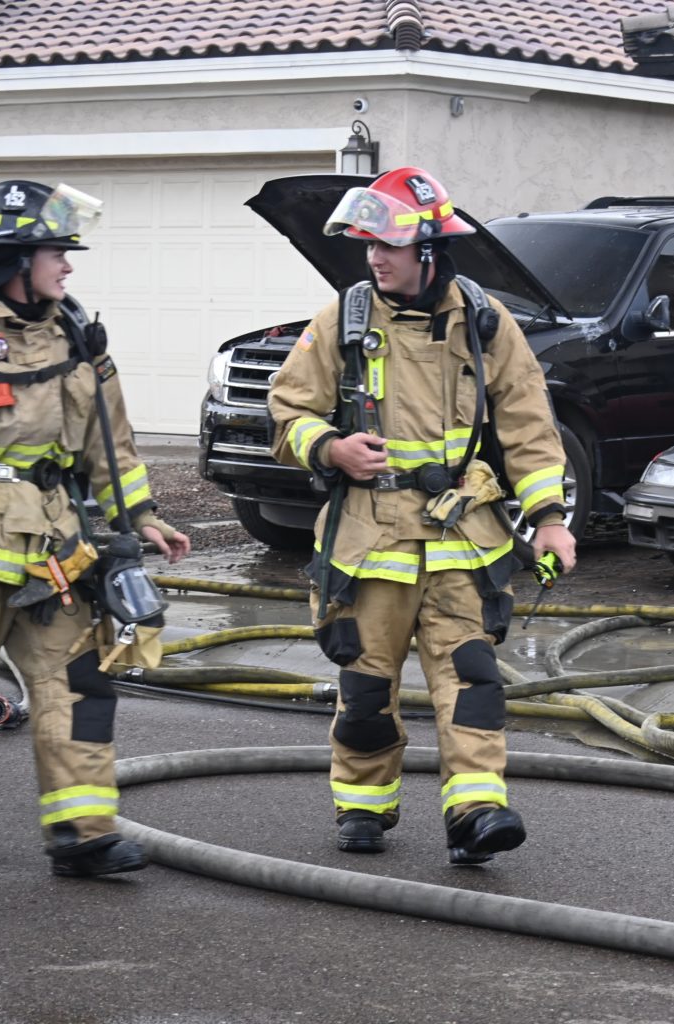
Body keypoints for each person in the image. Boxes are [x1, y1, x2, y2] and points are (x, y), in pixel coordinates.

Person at [268, 166, 576, 865]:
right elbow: (287, 413)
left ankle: (475, 811)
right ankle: (363, 806)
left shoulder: (486, 324)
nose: (374, 257)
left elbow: (530, 425)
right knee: (366, 686)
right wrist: (333, 448)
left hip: (463, 538)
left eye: (389, 245)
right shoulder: (343, 320)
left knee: (472, 681)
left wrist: (550, 518)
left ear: (430, 250)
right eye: (369, 244)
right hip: (370, 540)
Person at [0, 179, 190, 876]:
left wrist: (141, 517)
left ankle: (82, 835)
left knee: (79, 684)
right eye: (57, 252)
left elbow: (112, 445)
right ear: (17, 260)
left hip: (56, 549)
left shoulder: (77, 335)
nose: (69, 266)